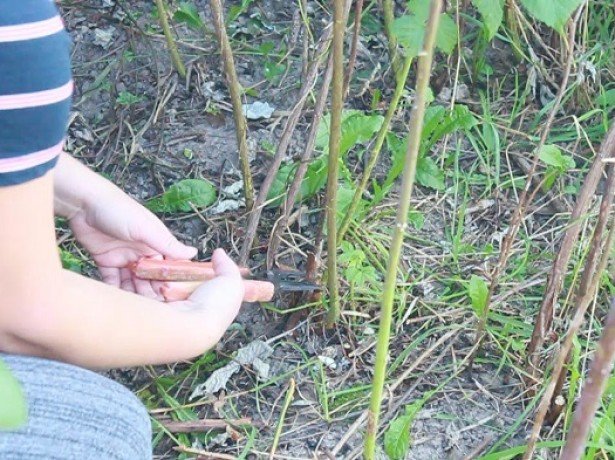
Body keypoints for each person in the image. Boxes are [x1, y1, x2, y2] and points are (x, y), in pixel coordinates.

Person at [0, 2, 256, 458]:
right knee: (102, 431)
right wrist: (192, 326)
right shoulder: (15, 30)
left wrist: (82, 197)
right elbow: (22, 321)